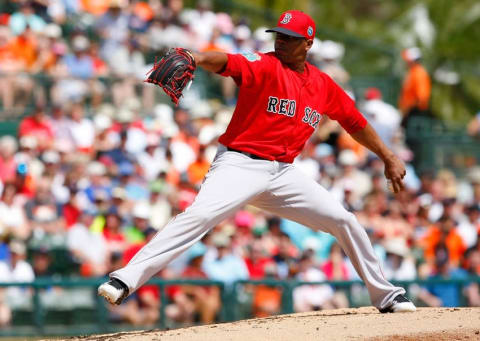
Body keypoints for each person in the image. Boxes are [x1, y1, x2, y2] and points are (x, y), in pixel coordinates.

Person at [99, 10, 416, 314]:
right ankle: (124, 280)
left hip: (283, 174)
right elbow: (226, 61)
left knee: (344, 220)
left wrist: (388, 156)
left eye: (290, 38)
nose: (281, 41)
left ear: (308, 43)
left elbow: (354, 122)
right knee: (200, 215)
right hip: (239, 164)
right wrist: (196, 57)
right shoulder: (264, 64)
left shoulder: (323, 85)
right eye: (279, 35)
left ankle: (386, 296)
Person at [398, 47, 431, 128]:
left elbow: (421, 98)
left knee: (413, 139)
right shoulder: (412, 72)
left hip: (415, 114)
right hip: (410, 113)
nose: (405, 62)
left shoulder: (419, 73)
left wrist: (407, 110)